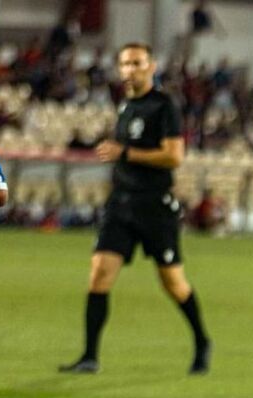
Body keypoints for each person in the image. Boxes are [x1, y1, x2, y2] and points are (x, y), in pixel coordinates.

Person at [58, 43, 211, 375]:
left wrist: (125, 153)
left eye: (137, 63)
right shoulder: (126, 105)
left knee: (173, 282)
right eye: (125, 64)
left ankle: (202, 342)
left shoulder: (164, 106)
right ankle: (89, 357)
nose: (130, 69)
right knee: (99, 274)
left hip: (154, 206)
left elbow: (174, 156)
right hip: (121, 205)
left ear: (151, 66)